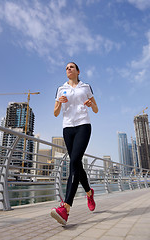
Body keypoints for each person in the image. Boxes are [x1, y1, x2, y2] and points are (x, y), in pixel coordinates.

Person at [50, 62, 98, 225]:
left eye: (71, 67)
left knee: (74, 162)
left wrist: (91, 104)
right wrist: (60, 103)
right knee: (77, 164)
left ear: (78, 71)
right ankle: (89, 192)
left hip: (83, 125)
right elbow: (55, 113)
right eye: (66, 68)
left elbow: (96, 108)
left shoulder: (86, 87)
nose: (68, 69)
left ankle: (66, 208)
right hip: (68, 128)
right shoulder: (60, 88)